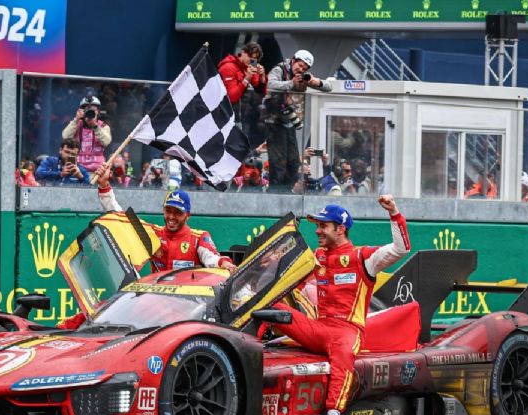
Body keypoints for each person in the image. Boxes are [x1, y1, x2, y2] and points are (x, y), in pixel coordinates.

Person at [270, 196, 410, 415]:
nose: (317, 230)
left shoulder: (363, 257)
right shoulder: (317, 256)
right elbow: (289, 282)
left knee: (343, 359)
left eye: (323, 226)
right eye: (317, 225)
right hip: (317, 327)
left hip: (347, 331)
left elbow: (401, 249)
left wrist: (394, 213)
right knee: (268, 306)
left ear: (340, 229)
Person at [93, 161, 238, 274]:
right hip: (158, 303)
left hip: (188, 305)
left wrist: (224, 263)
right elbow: (120, 219)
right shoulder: (154, 234)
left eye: (178, 212)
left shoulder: (198, 238)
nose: (171, 217)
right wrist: (104, 184)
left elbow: (212, 258)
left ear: (187, 216)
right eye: (168, 211)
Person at [263, 49, 332, 189]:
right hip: (274, 122)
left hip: (289, 123)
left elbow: (329, 87)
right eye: (299, 65)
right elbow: (270, 84)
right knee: (278, 164)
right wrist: (291, 83)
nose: (300, 69)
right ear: (293, 60)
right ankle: (275, 195)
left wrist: (315, 82)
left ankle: (287, 194)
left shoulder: (303, 76)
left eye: (304, 68)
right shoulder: (280, 69)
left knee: (294, 163)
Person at [62, 94, 112, 173]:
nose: (90, 112)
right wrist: (76, 120)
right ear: (81, 111)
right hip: (77, 169)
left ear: (98, 112)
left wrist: (95, 126)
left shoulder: (103, 126)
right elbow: (65, 137)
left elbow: (106, 142)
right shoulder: (76, 124)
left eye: (93, 110)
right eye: (87, 110)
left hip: (97, 171)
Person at [218, 42, 266, 108]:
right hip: (227, 111)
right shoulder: (228, 67)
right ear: (242, 52)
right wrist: (246, 79)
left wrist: (262, 77)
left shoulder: (251, 64)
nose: (251, 60)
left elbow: (259, 92)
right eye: (249, 56)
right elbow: (231, 98)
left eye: (254, 58)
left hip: (245, 112)